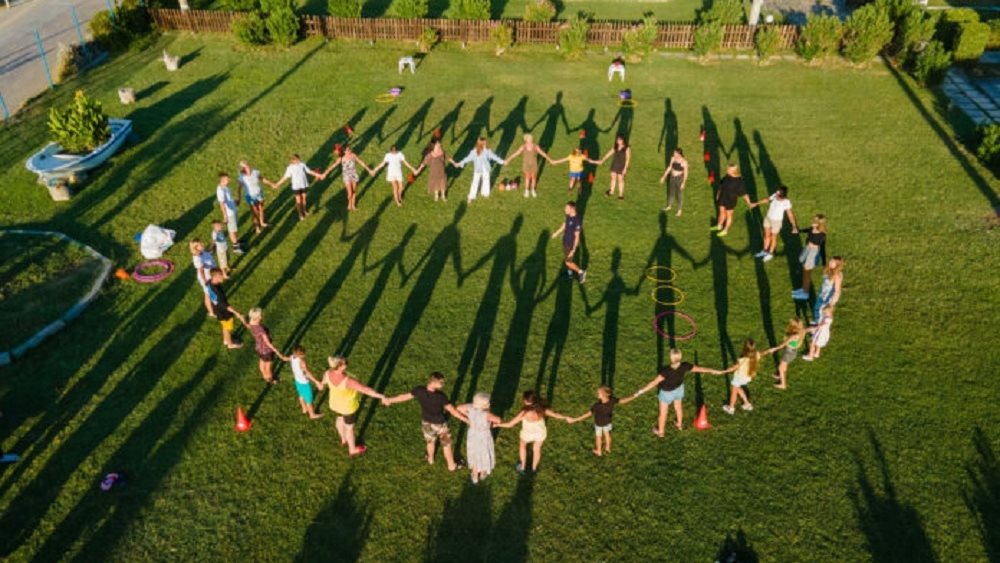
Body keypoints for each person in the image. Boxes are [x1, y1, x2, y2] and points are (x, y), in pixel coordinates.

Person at [383, 372, 469, 472]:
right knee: (446, 444)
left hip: (426, 423)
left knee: (430, 441)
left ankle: (430, 459)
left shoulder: (419, 390)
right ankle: (451, 466)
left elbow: (403, 397)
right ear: (434, 382)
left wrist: (390, 400)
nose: (443, 384)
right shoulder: (441, 397)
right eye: (441, 382)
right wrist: (466, 420)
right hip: (440, 424)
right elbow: (453, 411)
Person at [629, 349, 724, 435]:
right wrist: (713, 371)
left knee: (663, 413)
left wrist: (640, 391)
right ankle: (679, 425)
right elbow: (700, 369)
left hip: (666, 393)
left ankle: (661, 432)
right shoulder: (685, 366)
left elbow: (653, 383)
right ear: (680, 357)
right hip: (679, 390)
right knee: (678, 407)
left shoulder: (666, 371)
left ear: (671, 357)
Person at [318, 356, 386, 457]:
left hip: (335, 404)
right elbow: (366, 390)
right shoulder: (348, 381)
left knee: (339, 419)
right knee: (349, 429)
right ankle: (352, 449)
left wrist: (320, 384)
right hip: (348, 408)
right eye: (345, 363)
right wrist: (381, 396)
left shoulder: (327, 373)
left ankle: (343, 439)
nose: (347, 364)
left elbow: (322, 384)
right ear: (340, 366)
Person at [496, 390, 571, 474]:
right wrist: (566, 417)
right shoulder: (542, 408)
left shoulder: (524, 412)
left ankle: (523, 467)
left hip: (527, 434)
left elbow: (510, 424)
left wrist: (497, 425)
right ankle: (534, 468)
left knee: (522, 446)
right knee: (537, 449)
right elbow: (556, 415)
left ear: (526, 401)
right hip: (540, 433)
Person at [719, 338, 783, 415]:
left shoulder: (742, 360)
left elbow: (733, 368)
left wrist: (723, 371)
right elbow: (766, 352)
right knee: (737, 388)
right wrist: (773, 349)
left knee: (734, 391)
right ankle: (747, 404)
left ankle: (731, 408)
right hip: (747, 377)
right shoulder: (757, 355)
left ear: (744, 349)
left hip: (739, 378)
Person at [568, 386, 635, 456]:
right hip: (608, 422)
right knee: (607, 434)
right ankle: (608, 448)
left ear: (604, 394)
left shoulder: (597, 406)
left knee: (598, 437)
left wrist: (575, 420)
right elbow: (623, 401)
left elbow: (587, 414)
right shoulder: (612, 400)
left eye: (598, 393)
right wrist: (634, 395)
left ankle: (599, 451)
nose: (597, 394)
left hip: (599, 424)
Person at [456, 392, 502, 484]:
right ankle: (483, 472)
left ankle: (474, 475)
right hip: (484, 436)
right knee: (484, 452)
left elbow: (459, 408)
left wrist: (469, 414)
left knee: (474, 454)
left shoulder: (471, 409)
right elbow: (498, 420)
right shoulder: (486, 414)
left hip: (473, 435)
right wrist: (492, 423)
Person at [267, 154, 323, 220]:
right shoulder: (290, 168)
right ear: (293, 160)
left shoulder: (302, 164)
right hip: (296, 186)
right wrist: (277, 184)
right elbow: (285, 177)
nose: (299, 160)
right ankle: (300, 214)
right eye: (297, 160)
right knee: (298, 200)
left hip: (303, 184)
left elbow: (309, 171)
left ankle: (304, 210)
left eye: (299, 159)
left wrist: (318, 175)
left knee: (304, 198)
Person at [752, 186, 798, 262]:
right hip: (768, 218)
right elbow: (767, 200)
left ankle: (770, 253)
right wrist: (756, 203)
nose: (775, 194)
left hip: (776, 222)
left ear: (781, 195)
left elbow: (790, 215)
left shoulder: (786, 202)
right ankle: (764, 251)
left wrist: (794, 226)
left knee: (773, 237)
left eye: (777, 193)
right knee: (766, 235)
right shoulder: (775, 195)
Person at [321, 146, 373, 212]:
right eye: (347, 150)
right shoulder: (341, 158)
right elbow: (333, 166)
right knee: (350, 193)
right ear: (344, 151)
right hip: (346, 176)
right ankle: (349, 204)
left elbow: (361, 163)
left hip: (354, 175)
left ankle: (353, 205)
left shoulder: (353, 155)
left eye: (350, 149)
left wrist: (369, 170)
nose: (349, 151)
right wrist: (325, 173)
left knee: (354, 191)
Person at [456, 137, 505, 202]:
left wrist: (502, 162)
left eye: (485, 143)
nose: (486, 144)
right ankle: (471, 196)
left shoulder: (488, 151)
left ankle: (485, 193)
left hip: (486, 169)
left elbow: (494, 157)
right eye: (484, 143)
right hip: (477, 170)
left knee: (486, 180)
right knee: (475, 182)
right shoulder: (474, 152)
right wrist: (460, 163)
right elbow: (467, 158)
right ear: (480, 144)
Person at [206, 268, 246, 350]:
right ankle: (230, 344)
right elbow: (226, 306)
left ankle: (226, 340)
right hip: (223, 312)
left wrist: (211, 310)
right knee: (228, 328)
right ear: (215, 277)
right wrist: (238, 313)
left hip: (217, 309)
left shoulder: (209, 282)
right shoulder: (218, 292)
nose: (223, 277)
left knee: (224, 325)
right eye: (221, 276)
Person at [711, 164, 753, 237]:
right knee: (721, 212)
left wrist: (749, 202)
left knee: (728, 215)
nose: (727, 170)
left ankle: (725, 230)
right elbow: (721, 185)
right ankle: (719, 225)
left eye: (729, 169)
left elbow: (744, 193)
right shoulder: (727, 176)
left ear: (734, 171)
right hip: (723, 197)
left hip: (731, 199)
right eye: (727, 169)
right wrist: (718, 194)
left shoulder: (739, 181)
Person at [247, 307, 287, 384]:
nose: (262, 316)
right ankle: (271, 379)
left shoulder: (251, 323)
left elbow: (247, 325)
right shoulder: (261, 331)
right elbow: (268, 343)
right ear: (258, 317)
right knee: (268, 366)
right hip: (267, 350)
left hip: (259, 348)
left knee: (262, 361)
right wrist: (278, 352)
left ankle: (264, 375)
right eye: (261, 315)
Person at [504, 133, 551, 198]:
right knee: (527, 177)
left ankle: (533, 190)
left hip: (534, 164)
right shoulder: (523, 147)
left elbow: (543, 154)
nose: (531, 139)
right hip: (526, 165)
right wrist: (508, 159)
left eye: (531, 138)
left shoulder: (535, 146)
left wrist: (550, 160)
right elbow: (516, 153)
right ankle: (526, 191)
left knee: (534, 178)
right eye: (529, 138)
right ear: (526, 140)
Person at [792, 215, 828, 299]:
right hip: (807, 249)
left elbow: (822, 248)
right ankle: (803, 289)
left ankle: (805, 293)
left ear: (819, 224)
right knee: (804, 271)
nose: (812, 221)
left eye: (815, 221)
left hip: (813, 253)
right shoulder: (812, 228)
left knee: (807, 272)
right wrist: (798, 231)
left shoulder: (822, 235)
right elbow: (807, 230)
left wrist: (824, 263)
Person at [550, 201, 586, 283]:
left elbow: (577, 236)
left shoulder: (577, 221)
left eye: (567, 208)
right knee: (567, 259)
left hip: (571, 243)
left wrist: (573, 250)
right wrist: (556, 233)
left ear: (572, 209)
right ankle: (570, 274)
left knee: (568, 262)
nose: (565, 209)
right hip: (565, 241)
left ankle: (581, 272)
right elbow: (564, 225)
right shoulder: (568, 215)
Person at [289, 346, 323, 419]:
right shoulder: (302, 362)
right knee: (309, 400)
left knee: (301, 395)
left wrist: (278, 353)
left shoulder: (292, 357)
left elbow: (285, 358)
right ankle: (312, 415)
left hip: (297, 381)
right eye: (303, 354)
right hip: (304, 383)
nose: (304, 355)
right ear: (300, 355)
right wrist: (316, 382)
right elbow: (307, 373)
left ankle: (304, 409)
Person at [215, 173, 245, 255]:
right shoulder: (220, 190)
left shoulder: (226, 188)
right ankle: (236, 247)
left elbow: (229, 199)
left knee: (234, 228)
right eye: (227, 179)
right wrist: (225, 215)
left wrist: (235, 202)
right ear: (222, 180)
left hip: (233, 210)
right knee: (232, 230)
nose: (229, 180)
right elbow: (221, 204)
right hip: (229, 213)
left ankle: (236, 241)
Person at [774, 318, 807, 390]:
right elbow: (808, 329)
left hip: (788, 353)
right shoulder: (801, 332)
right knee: (784, 365)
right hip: (793, 352)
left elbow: (782, 345)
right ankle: (780, 375)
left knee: (780, 368)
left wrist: (773, 349)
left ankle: (783, 384)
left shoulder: (793, 336)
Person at [238, 160, 270, 233]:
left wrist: (271, 184)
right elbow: (239, 188)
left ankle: (262, 222)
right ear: (243, 169)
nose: (248, 167)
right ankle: (257, 227)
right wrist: (239, 198)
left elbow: (262, 179)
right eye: (246, 167)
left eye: (248, 165)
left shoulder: (255, 172)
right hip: (250, 196)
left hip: (259, 193)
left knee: (261, 208)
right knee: (255, 212)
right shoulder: (242, 177)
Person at [810, 256, 844, 324]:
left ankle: (819, 327)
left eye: (832, 262)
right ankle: (817, 321)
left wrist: (831, 303)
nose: (830, 263)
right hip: (822, 293)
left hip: (828, 297)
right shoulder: (829, 270)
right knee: (817, 307)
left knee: (821, 310)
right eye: (830, 261)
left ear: (837, 265)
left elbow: (837, 291)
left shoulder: (837, 275)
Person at [597, 135, 631, 200]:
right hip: (614, 165)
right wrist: (603, 160)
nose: (618, 141)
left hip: (621, 166)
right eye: (618, 140)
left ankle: (621, 194)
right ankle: (611, 191)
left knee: (620, 180)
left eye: (620, 140)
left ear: (623, 140)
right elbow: (609, 154)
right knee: (613, 178)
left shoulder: (627, 148)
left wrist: (625, 168)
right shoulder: (615, 147)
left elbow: (628, 159)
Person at [190, 239, 218, 314]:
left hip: (211, 274)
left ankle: (216, 301)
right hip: (206, 277)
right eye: (201, 245)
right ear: (196, 247)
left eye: (202, 243)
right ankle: (211, 312)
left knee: (213, 290)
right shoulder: (197, 258)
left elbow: (208, 253)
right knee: (207, 294)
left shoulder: (202, 252)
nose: (203, 245)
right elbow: (201, 271)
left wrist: (212, 245)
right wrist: (205, 281)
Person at [659, 148, 688, 216]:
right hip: (672, 177)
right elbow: (669, 167)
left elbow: (686, 173)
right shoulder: (673, 158)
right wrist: (664, 176)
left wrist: (683, 183)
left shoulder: (684, 162)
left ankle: (679, 210)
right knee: (671, 192)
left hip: (679, 179)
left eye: (675, 153)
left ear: (679, 154)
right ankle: (669, 206)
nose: (674, 154)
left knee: (679, 195)